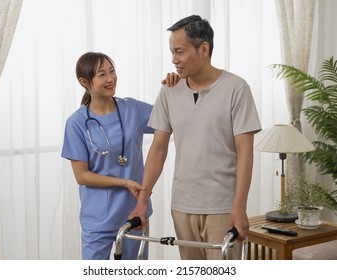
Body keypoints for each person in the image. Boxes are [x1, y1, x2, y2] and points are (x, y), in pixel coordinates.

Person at [129, 15, 262, 260]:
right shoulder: (169, 91)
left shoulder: (236, 88)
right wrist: (142, 200)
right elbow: (158, 149)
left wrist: (239, 208)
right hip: (182, 206)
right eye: (171, 52)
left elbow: (245, 152)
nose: (174, 60)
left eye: (179, 51)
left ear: (203, 49)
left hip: (222, 207)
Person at [61, 52, 178, 260]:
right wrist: (124, 182)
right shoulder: (77, 123)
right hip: (98, 220)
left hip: (134, 214)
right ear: (84, 82)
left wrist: (175, 88)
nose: (110, 78)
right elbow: (82, 176)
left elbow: (171, 117)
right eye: (102, 74)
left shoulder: (132, 109)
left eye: (112, 71)